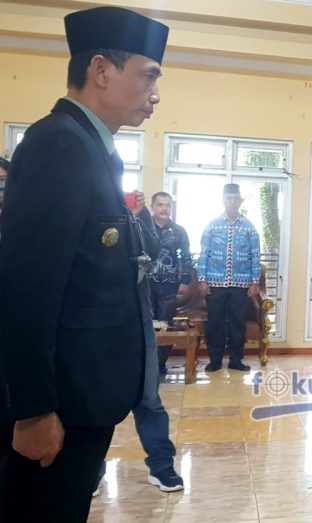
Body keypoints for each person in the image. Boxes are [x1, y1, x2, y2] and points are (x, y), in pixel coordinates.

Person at [0, 6, 169, 521]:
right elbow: (27, 286)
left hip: (84, 398)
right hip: (61, 405)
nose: (155, 94)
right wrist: (33, 410)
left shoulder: (90, 147)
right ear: (100, 70)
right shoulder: (60, 145)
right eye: (147, 76)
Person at [94, 192, 184, 496]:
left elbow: (153, 249)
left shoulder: (135, 216)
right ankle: (91, 469)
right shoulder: (83, 211)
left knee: (149, 397)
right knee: (94, 399)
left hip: (138, 315)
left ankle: (161, 467)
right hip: (96, 319)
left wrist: (140, 216)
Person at [197, 183, 261, 372]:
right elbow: (204, 253)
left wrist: (255, 282)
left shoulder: (249, 227)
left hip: (241, 284)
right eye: (229, 198)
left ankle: (236, 359)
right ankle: (214, 360)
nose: (232, 202)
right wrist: (202, 279)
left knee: (237, 323)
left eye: (235, 198)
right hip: (215, 283)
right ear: (223, 200)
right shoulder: (212, 225)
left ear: (240, 201)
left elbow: (255, 255)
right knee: (215, 322)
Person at [148, 191, 192, 373]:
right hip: (145, 286)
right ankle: (146, 364)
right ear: (152, 207)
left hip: (170, 286)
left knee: (165, 325)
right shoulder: (143, 227)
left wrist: (186, 281)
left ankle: (160, 364)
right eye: (160, 205)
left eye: (167, 205)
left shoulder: (179, 231)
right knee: (146, 324)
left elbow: (186, 257)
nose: (164, 208)